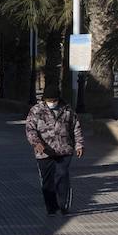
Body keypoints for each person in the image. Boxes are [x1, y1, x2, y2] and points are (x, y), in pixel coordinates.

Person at [25, 84, 85, 216]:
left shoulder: (68, 110)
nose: (52, 103)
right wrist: (36, 143)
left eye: (54, 100)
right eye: (49, 100)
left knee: (62, 175)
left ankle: (63, 205)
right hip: (44, 152)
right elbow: (30, 130)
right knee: (47, 181)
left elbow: (76, 128)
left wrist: (79, 145)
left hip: (64, 150)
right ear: (44, 99)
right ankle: (51, 208)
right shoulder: (36, 111)